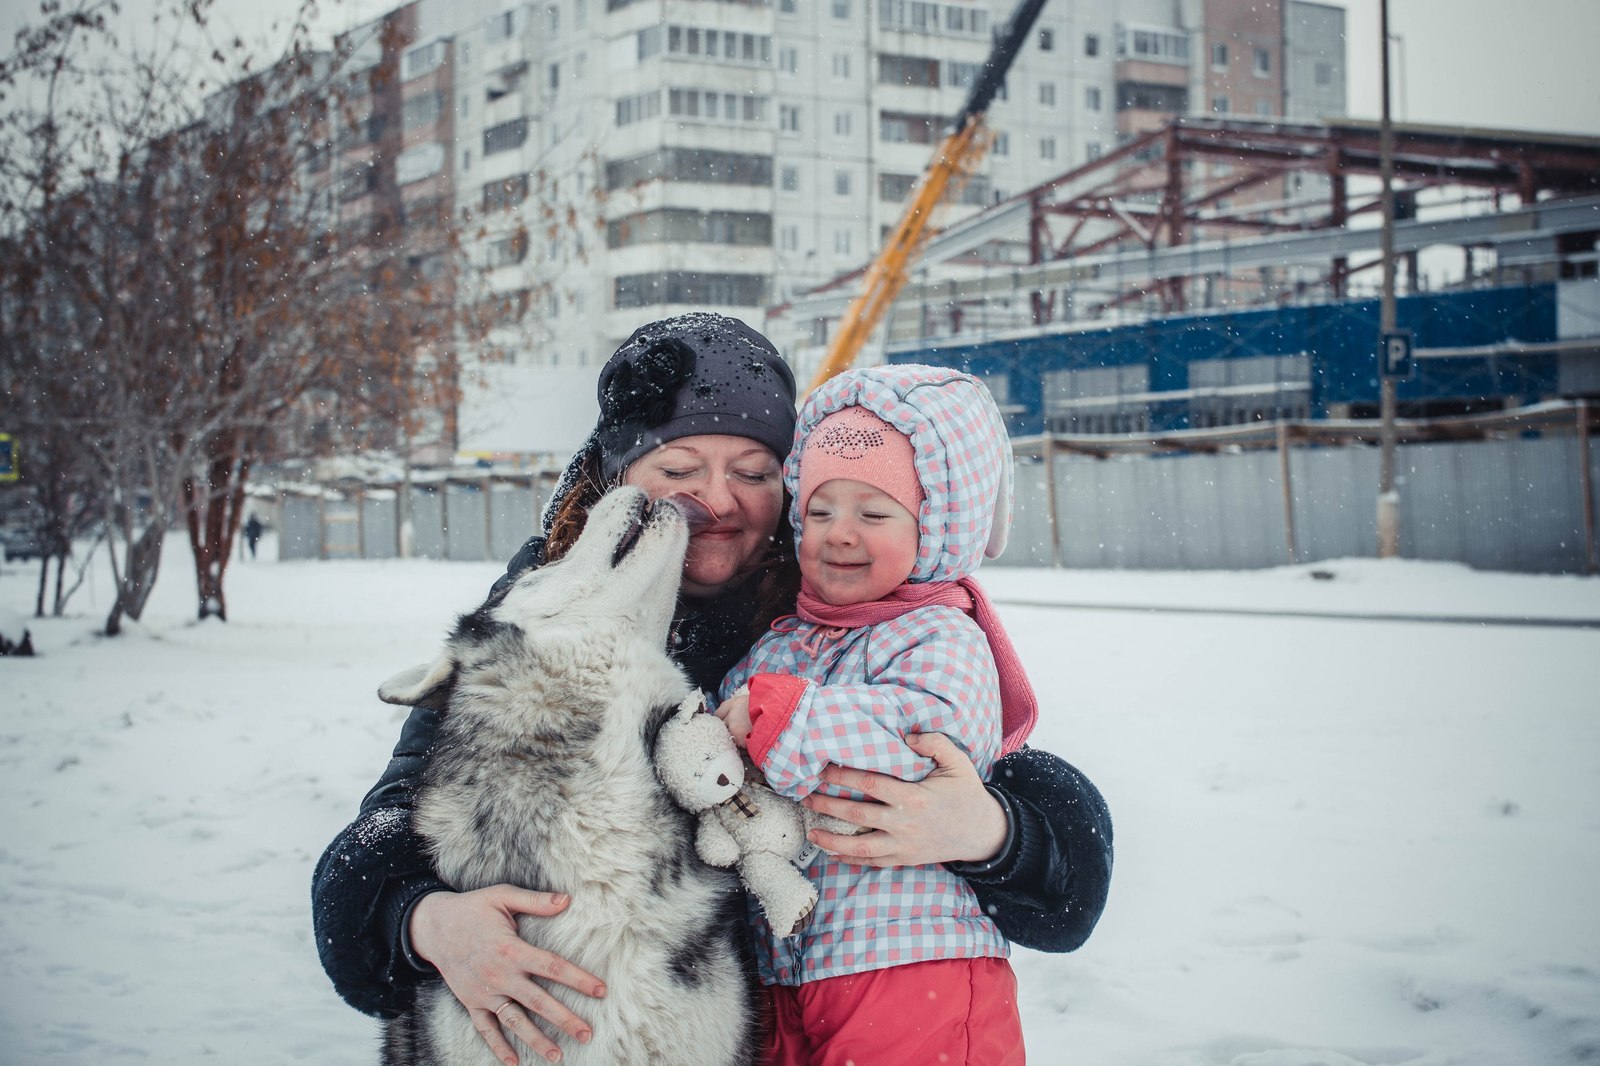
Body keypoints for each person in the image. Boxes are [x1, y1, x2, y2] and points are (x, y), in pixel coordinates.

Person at [312, 313, 1113, 1066]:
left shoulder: (843, 603)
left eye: (755, 471)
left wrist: (992, 831)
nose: (719, 500)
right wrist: (423, 921)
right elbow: (377, 844)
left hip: (788, 1024)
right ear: (619, 477)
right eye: (680, 468)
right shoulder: (552, 619)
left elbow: (1066, 857)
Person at [715, 365, 1034, 1064]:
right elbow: (724, 738)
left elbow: (926, 736)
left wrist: (783, 717)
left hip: (915, 964)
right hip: (790, 969)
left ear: (939, 524)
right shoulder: (783, 639)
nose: (839, 534)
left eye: (875, 513)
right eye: (820, 511)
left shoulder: (940, 635)